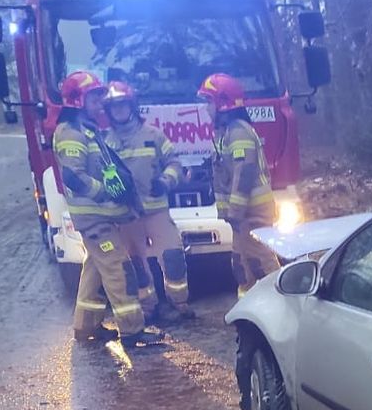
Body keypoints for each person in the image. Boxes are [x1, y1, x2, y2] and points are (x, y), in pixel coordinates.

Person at [53, 70, 162, 348]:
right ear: (78, 100)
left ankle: (86, 327)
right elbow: (73, 177)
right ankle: (132, 331)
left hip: (97, 217)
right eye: (94, 97)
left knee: (94, 269)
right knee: (118, 268)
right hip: (93, 218)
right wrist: (104, 193)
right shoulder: (71, 134)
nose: (101, 103)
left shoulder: (86, 129)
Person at [102, 80, 195, 325]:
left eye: (123, 105)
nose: (119, 110)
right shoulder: (106, 143)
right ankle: (148, 307)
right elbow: (103, 176)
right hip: (127, 214)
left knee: (173, 255)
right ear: (109, 111)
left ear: (132, 105)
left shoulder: (154, 135)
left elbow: (174, 163)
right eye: (114, 107)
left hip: (156, 210)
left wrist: (165, 181)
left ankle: (180, 303)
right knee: (136, 266)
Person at [197, 73, 281, 295]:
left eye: (208, 101)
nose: (206, 108)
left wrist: (234, 210)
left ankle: (279, 303)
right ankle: (248, 314)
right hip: (242, 216)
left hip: (251, 212)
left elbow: (244, 172)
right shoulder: (226, 132)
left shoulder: (238, 131)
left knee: (260, 262)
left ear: (222, 103)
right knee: (243, 266)